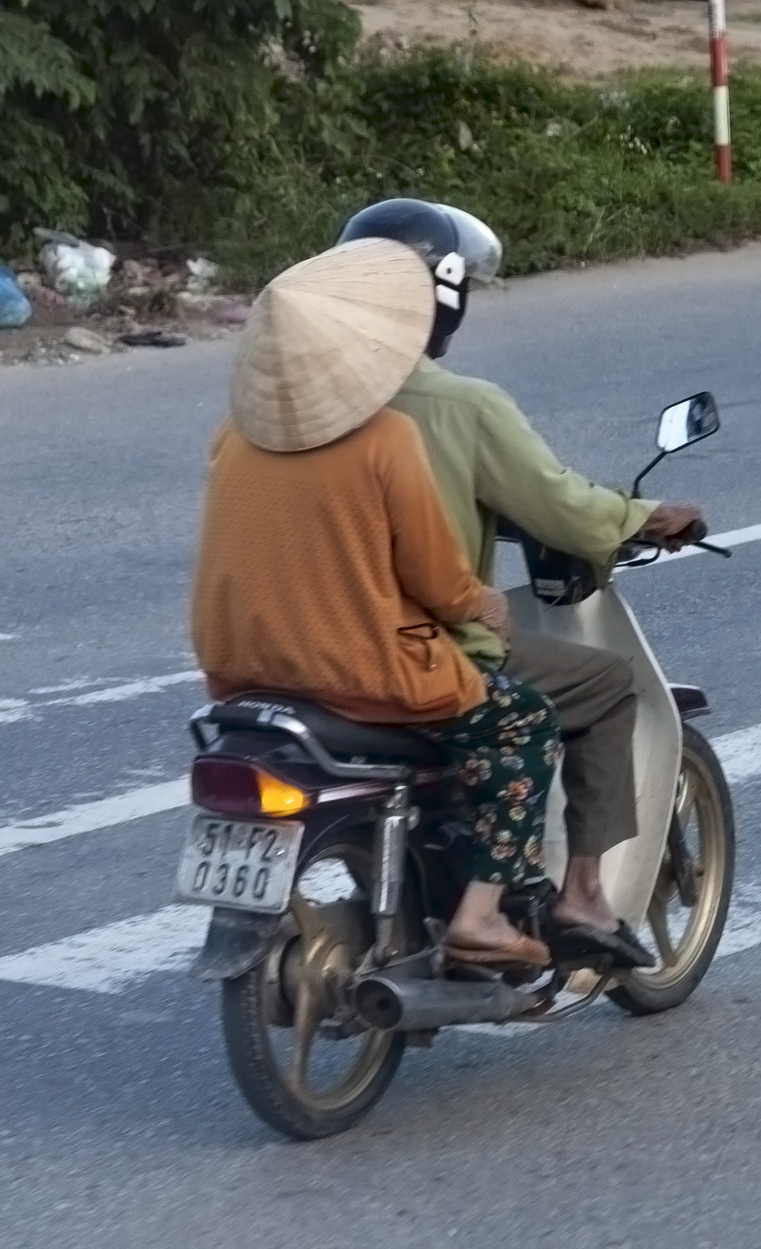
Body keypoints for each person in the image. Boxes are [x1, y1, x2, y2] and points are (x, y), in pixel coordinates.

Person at [338, 199, 704, 967]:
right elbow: (561, 505)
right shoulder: (463, 406)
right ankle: (581, 896)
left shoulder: (312, 405)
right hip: (421, 650)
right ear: (443, 296)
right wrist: (646, 514)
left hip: (315, 646)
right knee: (604, 685)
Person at [190, 238, 562, 968]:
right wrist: (483, 603)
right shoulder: (388, 437)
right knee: (525, 724)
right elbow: (437, 577)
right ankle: (482, 916)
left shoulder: (233, 437)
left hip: (243, 669)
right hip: (366, 674)